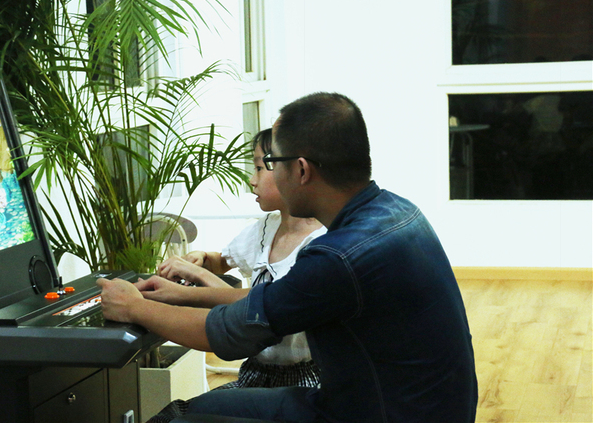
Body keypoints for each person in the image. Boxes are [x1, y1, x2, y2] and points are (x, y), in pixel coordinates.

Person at [98, 92, 478, 423]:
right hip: (407, 408)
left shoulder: (337, 258)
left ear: (301, 170)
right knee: (186, 412)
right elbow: (266, 303)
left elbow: (229, 334)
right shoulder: (399, 211)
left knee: (178, 421)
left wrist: (134, 307)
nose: (264, 175)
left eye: (271, 162)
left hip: (374, 414)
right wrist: (182, 294)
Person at [148, 129, 324, 422]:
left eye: (259, 168)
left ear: (296, 171)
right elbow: (224, 260)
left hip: (302, 384)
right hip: (254, 373)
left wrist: (188, 284)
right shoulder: (265, 227)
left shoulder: (321, 246)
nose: (252, 180)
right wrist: (204, 259)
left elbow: (258, 307)